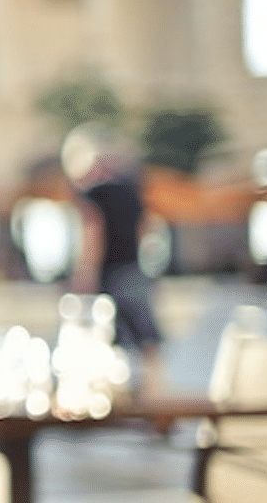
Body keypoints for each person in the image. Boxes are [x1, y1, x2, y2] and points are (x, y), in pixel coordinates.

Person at [63, 123, 165, 390]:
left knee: (100, 331)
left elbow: (93, 235)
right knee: (144, 334)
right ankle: (155, 389)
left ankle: (104, 390)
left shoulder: (93, 195)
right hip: (133, 268)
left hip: (109, 272)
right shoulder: (131, 191)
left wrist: (84, 275)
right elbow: (146, 229)